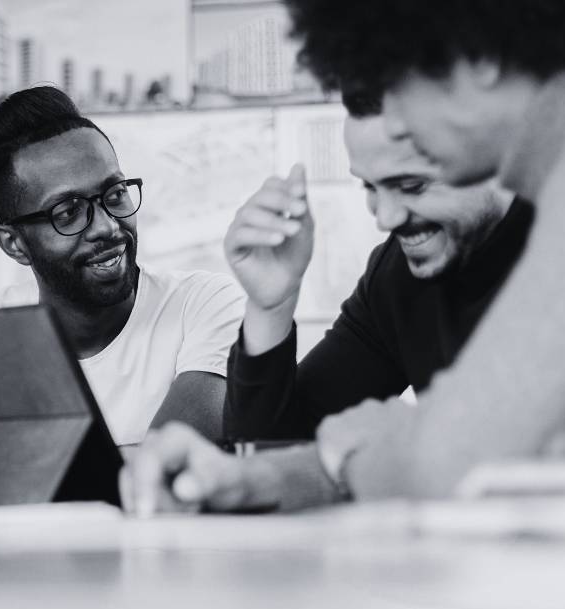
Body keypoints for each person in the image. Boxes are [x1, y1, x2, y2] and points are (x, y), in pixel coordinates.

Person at [123, 0, 565, 514]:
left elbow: (464, 442)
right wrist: (260, 474)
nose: (394, 123)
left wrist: (354, 446)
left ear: (477, 59)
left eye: (398, 88)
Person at [224, 91, 530, 442]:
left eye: (412, 186)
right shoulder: (397, 276)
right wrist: (270, 308)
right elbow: (273, 457)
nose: (385, 218)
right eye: (370, 186)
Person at [0, 86, 245, 447]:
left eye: (115, 195)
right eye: (67, 212)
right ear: (14, 243)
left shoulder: (205, 305)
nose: (108, 226)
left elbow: (166, 465)